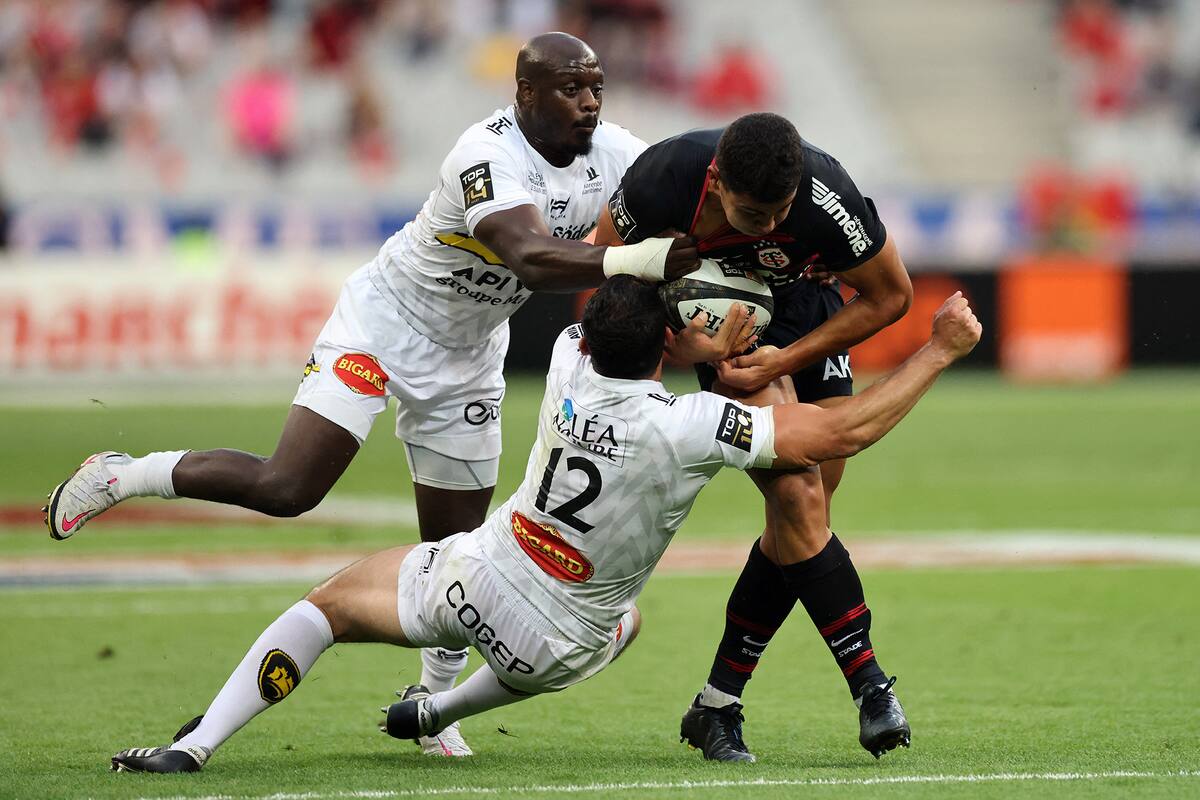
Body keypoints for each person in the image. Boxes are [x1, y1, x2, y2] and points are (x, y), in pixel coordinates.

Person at [42, 33, 704, 759]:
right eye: (571, 89)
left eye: (596, 88)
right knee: (288, 487)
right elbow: (529, 257)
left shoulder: (614, 153)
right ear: (525, 94)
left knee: (452, 550)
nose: (588, 103)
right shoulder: (485, 153)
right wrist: (645, 257)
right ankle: (123, 474)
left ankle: (431, 705)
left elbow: (691, 178)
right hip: (386, 325)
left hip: (470, 356)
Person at [108, 276, 981, 774]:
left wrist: (675, 331)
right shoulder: (689, 427)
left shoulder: (566, 360)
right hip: (561, 649)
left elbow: (605, 312)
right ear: (670, 347)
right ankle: (442, 707)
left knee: (327, 607)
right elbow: (843, 432)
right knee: (626, 621)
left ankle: (197, 746)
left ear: (591, 337)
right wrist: (937, 349)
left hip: (477, 578)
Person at [592, 112, 916, 760]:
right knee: (797, 494)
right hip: (721, 331)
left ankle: (715, 705)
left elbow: (891, 296)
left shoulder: (827, 195)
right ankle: (870, 686)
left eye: (780, 213)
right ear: (716, 181)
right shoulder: (665, 175)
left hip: (806, 317)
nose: (767, 227)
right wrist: (674, 341)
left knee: (803, 517)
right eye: (752, 214)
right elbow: (605, 267)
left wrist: (786, 360)